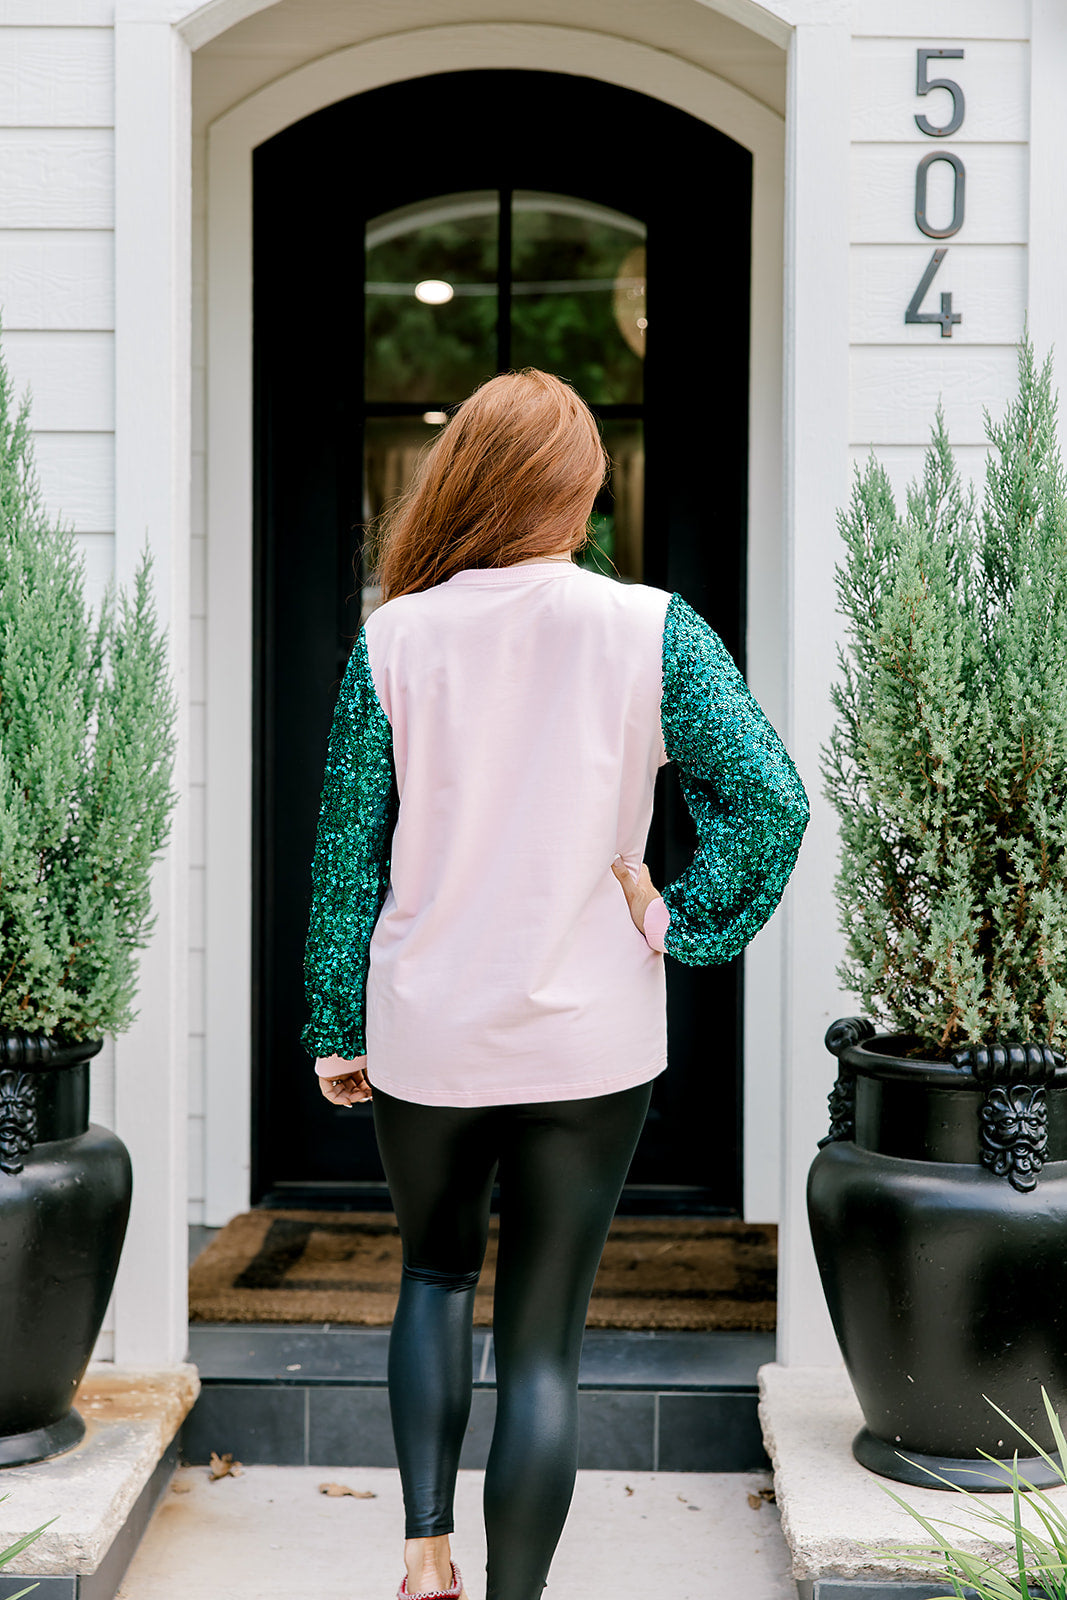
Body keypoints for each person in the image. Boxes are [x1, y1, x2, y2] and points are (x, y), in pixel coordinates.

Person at [300, 368, 809, 1600]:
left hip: (427, 1030)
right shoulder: (652, 627)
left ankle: (426, 1558)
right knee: (541, 1347)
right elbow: (770, 801)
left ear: (463, 481)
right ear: (578, 494)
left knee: (428, 1276)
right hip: (590, 1042)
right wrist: (674, 919)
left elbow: (345, 849)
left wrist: (333, 1017)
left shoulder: (393, 634)